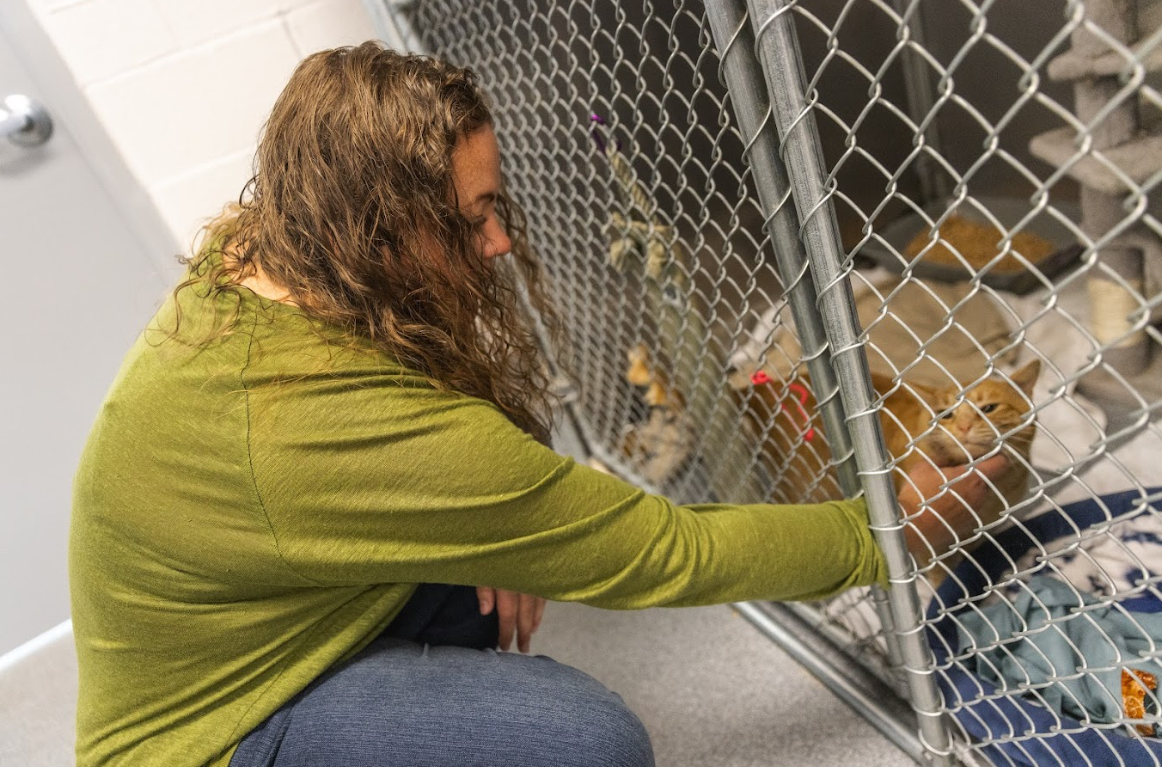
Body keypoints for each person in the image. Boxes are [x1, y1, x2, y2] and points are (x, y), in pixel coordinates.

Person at [69, 42, 1010, 767]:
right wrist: (889, 528)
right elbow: (659, 550)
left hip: (264, 615)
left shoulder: (267, 248)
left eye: (496, 203)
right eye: (471, 216)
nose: (500, 242)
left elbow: (436, 426)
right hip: (210, 735)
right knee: (585, 740)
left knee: (486, 592)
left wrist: (491, 528)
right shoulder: (305, 424)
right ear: (379, 230)